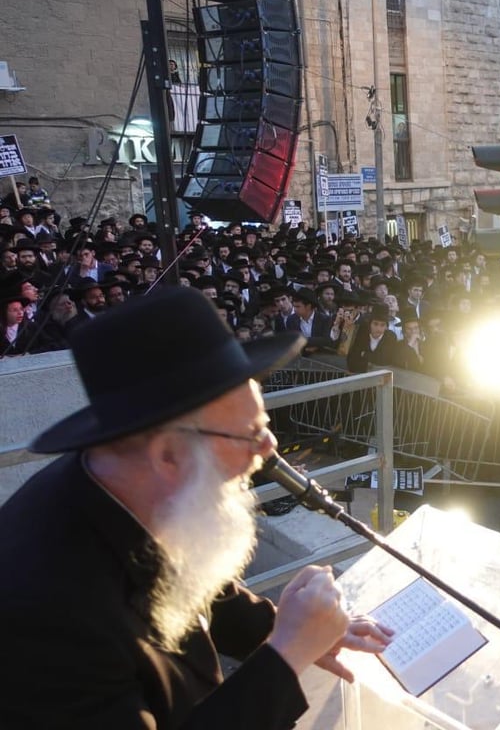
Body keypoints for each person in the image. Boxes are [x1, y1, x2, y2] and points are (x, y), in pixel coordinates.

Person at [0, 286, 393, 727]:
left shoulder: (127, 482)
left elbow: (193, 586)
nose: (269, 448)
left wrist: (288, 627)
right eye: (249, 433)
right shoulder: (45, 616)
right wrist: (286, 655)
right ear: (168, 455)